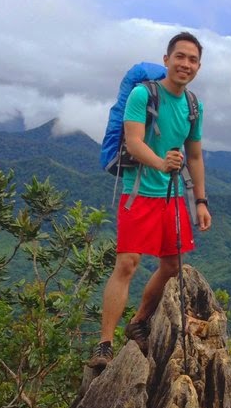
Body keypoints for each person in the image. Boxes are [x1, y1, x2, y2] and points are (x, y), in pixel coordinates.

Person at [88, 32, 212, 369]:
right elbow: (133, 143)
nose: (185, 64)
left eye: (192, 59)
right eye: (180, 57)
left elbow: (196, 156)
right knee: (127, 263)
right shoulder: (143, 95)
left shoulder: (193, 106)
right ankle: (104, 344)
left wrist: (200, 201)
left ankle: (140, 321)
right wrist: (160, 163)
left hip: (172, 197)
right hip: (139, 192)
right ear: (167, 59)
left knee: (172, 266)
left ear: (198, 67)